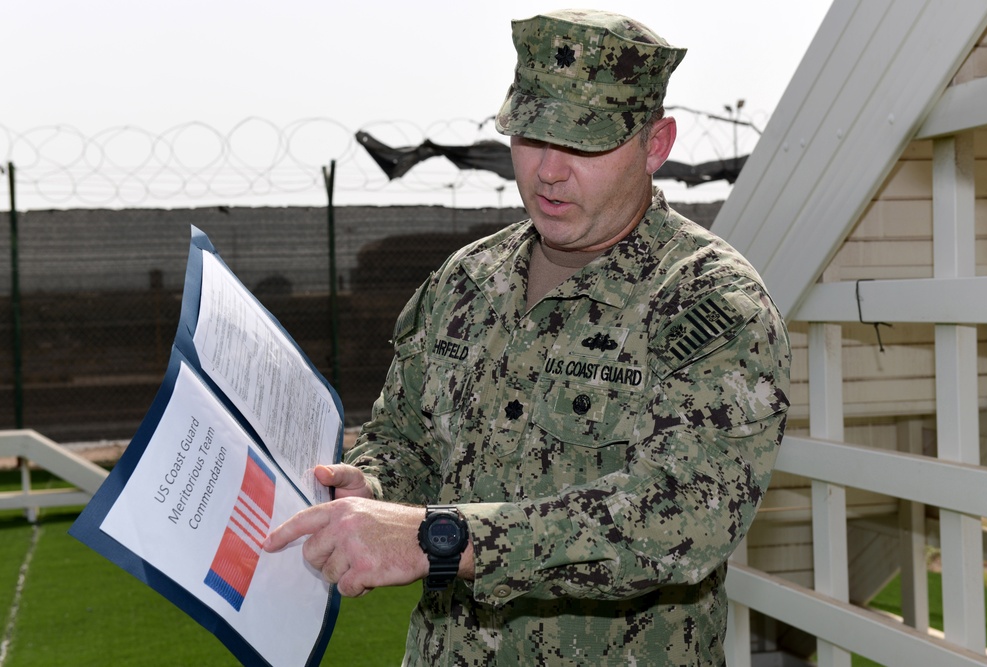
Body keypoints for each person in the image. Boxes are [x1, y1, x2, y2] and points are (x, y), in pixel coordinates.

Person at [264, 8, 791, 666]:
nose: (548, 170)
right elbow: (410, 440)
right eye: (533, 136)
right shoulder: (466, 281)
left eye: (584, 143)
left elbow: (679, 520)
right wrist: (370, 484)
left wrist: (440, 538)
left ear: (656, 144)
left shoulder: (708, 304)